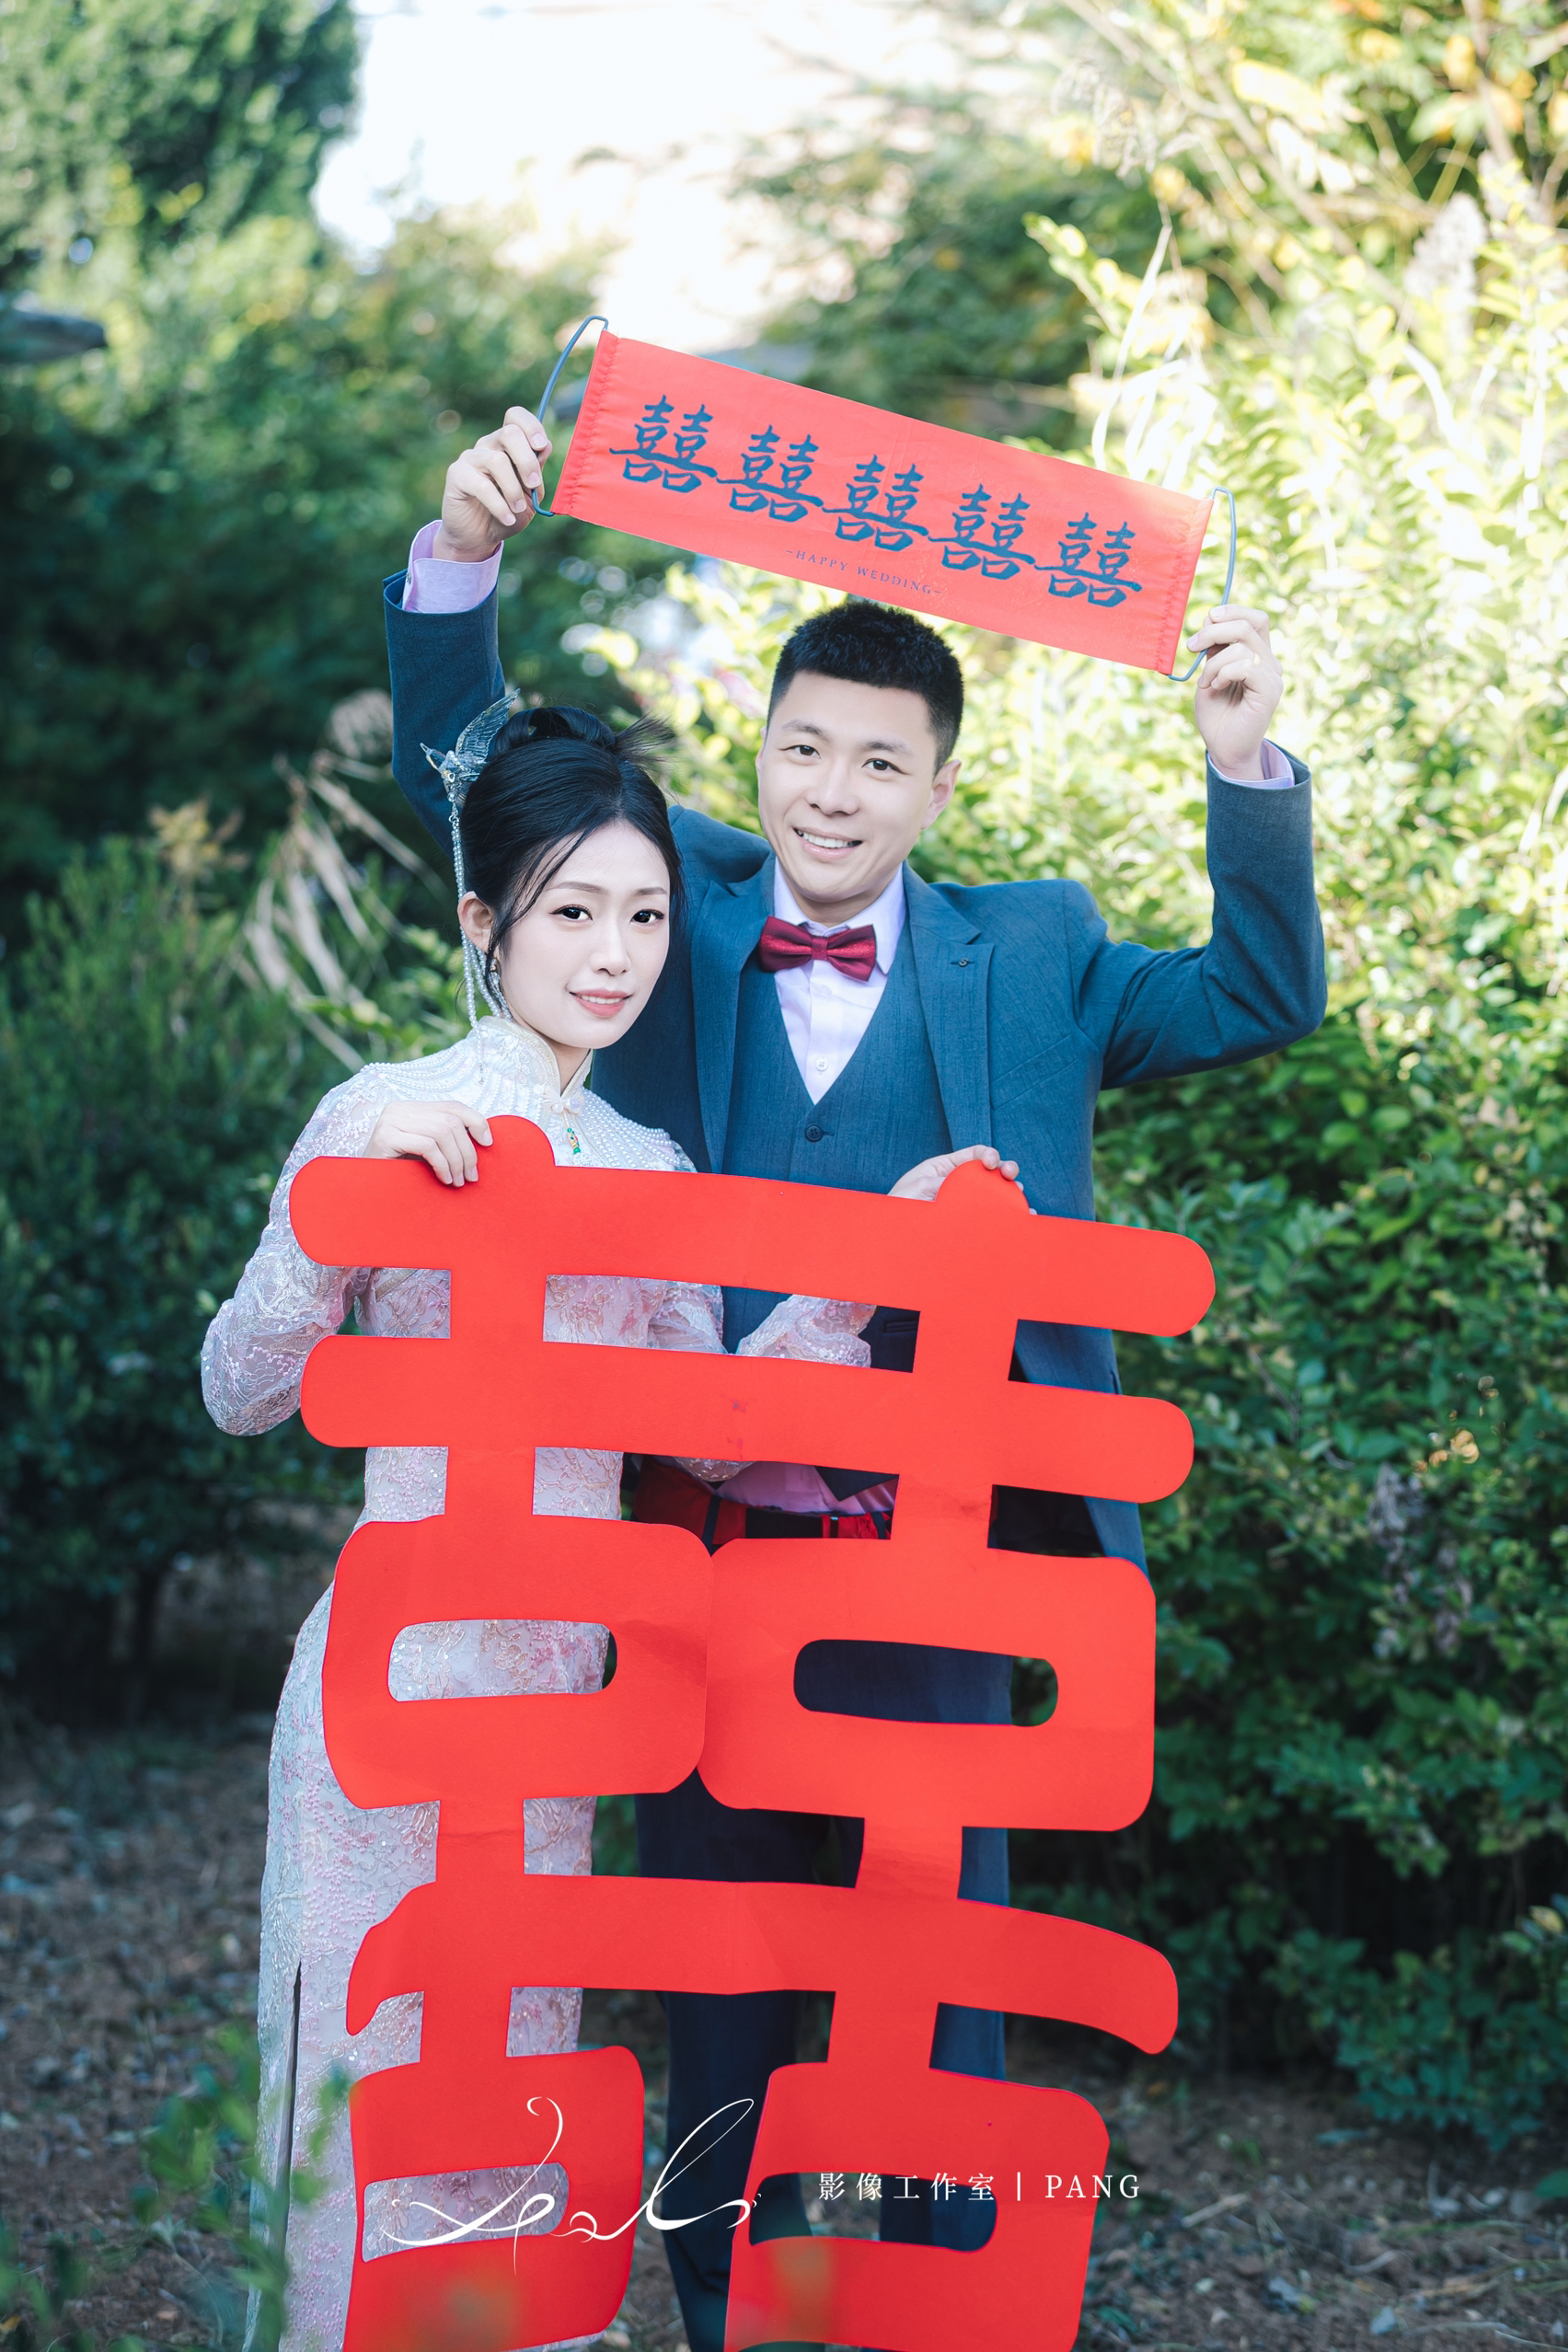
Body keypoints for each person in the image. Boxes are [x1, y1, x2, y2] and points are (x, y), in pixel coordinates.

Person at [380, 407, 1327, 2352]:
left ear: (939, 783)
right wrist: (461, 562)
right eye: (802, 748)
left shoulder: (1036, 954)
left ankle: (925, 2308)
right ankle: (728, 2308)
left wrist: (1244, 759)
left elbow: (1261, 991)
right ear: (763, 753)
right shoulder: (664, 904)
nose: (831, 792)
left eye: (879, 761)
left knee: (931, 1969)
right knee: (715, 1966)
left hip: (936, 1564)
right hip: (694, 1552)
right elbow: (477, 778)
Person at [201, 704, 1008, 2352]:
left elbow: (714, 1427)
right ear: (483, 922)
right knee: (362, 2069)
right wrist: (342, 1205)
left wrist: (884, 1255)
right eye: (572, 911)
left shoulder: (646, 1164)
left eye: (644, 914)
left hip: (561, 1706)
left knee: (511, 2070)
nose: (616, 953)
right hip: (395, 1683)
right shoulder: (383, 1110)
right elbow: (239, 1388)